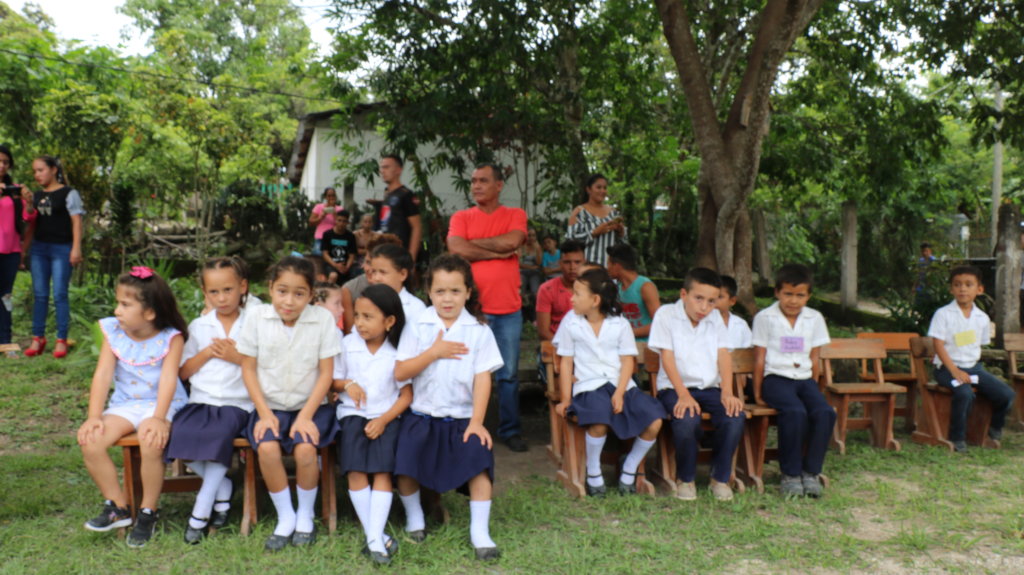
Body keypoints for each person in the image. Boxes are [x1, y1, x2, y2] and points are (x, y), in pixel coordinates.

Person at [393, 254, 502, 560]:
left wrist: (477, 422)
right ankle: (416, 519)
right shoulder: (418, 324)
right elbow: (401, 373)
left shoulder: (479, 330)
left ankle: (479, 533)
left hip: (463, 418)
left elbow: (483, 379)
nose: (448, 299)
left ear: (468, 292)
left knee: (480, 463)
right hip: (422, 415)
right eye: (440, 291)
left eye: (455, 291)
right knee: (406, 462)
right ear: (429, 291)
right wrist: (434, 352)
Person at [76, 267, 189, 547]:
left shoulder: (171, 338)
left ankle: (148, 511)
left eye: (125, 305)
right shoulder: (114, 332)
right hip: (126, 403)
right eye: (118, 303)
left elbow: (168, 380)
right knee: (91, 442)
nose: (117, 310)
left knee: (151, 441)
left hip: (163, 403)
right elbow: (102, 375)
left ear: (149, 312)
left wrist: (160, 418)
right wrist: (93, 416)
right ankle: (119, 507)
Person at [237, 256, 341, 551]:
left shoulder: (322, 320)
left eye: (299, 293)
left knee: (306, 448)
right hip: (269, 405)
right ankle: (286, 516)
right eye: (282, 291)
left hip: (312, 407)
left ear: (311, 295)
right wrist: (264, 414)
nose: (289, 301)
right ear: (270, 289)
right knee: (267, 449)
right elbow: (248, 368)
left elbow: (326, 373)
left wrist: (306, 416)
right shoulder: (256, 318)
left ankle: (305, 515)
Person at [553, 268, 664, 497]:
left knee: (654, 420)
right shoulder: (570, 322)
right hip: (588, 387)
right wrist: (565, 399)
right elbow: (565, 362)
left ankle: (630, 467)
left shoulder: (619, 324)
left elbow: (627, 362)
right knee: (599, 419)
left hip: (621, 385)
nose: (571, 298)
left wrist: (620, 392)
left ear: (595, 300)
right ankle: (593, 471)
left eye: (577, 294)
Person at [167, 257, 256, 544]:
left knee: (218, 437)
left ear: (242, 287)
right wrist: (206, 353)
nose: (222, 298)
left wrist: (237, 357)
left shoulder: (256, 321)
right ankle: (223, 487)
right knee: (179, 435)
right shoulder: (200, 325)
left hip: (237, 402)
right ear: (204, 293)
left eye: (228, 290)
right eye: (214, 292)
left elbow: (269, 365)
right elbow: (182, 372)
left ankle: (200, 512)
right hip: (200, 400)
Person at [446, 163, 529, 452]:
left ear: (498, 185)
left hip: (508, 309)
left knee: (507, 375)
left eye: (483, 181)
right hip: (471, 310)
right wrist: (500, 251)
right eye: (473, 181)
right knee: (465, 371)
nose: (476, 186)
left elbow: (514, 240)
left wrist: (475, 246)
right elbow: (456, 247)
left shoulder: (515, 215)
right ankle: (464, 425)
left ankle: (510, 430)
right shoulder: (461, 216)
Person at [648, 268, 744, 501]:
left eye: (711, 301)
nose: (704, 307)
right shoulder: (666, 315)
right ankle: (686, 478)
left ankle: (720, 478)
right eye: (698, 298)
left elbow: (723, 355)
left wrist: (728, 392)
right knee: (687, 418)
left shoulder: (715, 319)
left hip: (710, 388)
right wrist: (682, 394)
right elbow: (667, 357)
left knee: (734, 415)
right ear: (683, 294)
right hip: (674, 388)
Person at [333, 284, 410, 565]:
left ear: (389, 321)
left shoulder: (398, 351)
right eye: (357, 315)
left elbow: (406, 395)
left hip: (386, 416)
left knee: (381, 472)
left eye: (368, 317)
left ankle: (374, 536)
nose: (360, 323)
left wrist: (384, 419)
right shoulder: (347, 344)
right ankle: (375, 538)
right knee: (355, 469)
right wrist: (348, 384)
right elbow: (334, 379)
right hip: (352, 415)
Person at [752, 264, 835, 498]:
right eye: (788, 294)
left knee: (824, 412)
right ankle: (790, 474)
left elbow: (815, 358)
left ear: (808, 295)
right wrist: (758, 393)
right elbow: (759, 358)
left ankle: (810, 472)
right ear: (777, 292)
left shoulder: (815, 318)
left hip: (805, 380)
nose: (793, 301)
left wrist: (815, 391)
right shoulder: (765, 318)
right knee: (795, 412)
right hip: (776, 379)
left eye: (800, 295)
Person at [927, 265, 1015, 453]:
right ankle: (957, 438)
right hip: (947, 369)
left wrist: (972, 371)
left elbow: (977, 345)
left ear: (979, 289)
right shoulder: (943, 314)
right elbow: (938, 345)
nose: (963, 289)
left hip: (974, 369)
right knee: (965, 393)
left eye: (968, 284)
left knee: (1006, 394)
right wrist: (955, 371)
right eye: (957, 285)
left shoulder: (981, 318)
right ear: (951, 289)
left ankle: (993, 428)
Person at [24, 155, 84, 359]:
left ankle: (61, 339)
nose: (37, 175)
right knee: (40, 295)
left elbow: (76, 221)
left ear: (53, 170)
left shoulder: (69, 193)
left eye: (40, 170)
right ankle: (38, 337)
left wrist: (76, 248)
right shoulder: (38, 195)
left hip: (61, 249)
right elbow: (32, 222)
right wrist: (26, 248)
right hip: (40, 249)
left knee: (59, 294)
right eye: (35, 171)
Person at [0, 144, 34, 355]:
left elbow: (29, 218)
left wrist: (28, 201)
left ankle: (5, 340)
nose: (1, 165)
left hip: (11, 251)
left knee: (5, 296)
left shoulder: (15, 190)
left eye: (5, 162)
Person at [342, 233, 402, 334]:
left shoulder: (400, 289)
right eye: (368, 262)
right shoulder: (350, 290)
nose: (368, 269)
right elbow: (350, 334)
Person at [566, 174, 625, 266]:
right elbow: (570, 241)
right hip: (587, 268)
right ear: (588, 190)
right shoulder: (579, 212)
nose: (602, 191)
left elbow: (623, 244)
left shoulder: (613, 213)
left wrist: (621, 232)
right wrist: (594, 233)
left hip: (610, 269)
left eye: (605, 188)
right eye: (598, 187)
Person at [606, 243, 660, 342]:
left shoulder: (645, 287)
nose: (607, 268)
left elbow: (659, 323)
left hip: (647, 346)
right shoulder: (618, 288)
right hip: (627, 344)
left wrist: (629, 332)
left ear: (616, 266)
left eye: (608, 264)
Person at [536, 240, 585, 342]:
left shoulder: (595, 288)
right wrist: (566, 350)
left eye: (577, 262)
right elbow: (543, 332)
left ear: (584, 263)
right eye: (567, 262)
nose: (572, 267)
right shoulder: (546, 289)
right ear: (560, 263)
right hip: (556, 345)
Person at [366, 243, 426, 326]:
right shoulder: (366, 302)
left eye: (383, 272)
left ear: (402, 274)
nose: (376, 278)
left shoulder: (415, 308)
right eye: (374, 272)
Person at [377, 154, 422, 260]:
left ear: (398, 170)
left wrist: (411, 257)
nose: (382, 171)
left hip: (400, 254)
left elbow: (417, 227)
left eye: (386, 167)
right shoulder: (387, 195)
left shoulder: (406, 195)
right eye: (381, 167)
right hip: (385, 251)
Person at [321, 209, 357, 284]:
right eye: (339, 220)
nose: (341, 223)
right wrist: (336, 265)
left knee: (356, 277)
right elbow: (325, 254)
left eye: (344, 221)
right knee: (333, 276)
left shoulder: (351, 236)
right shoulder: (327, 234)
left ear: (347, 222)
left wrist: (346, 267)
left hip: (345, 265)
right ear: (335, 220)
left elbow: (352, 256)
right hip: (331, 264)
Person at [716, 275, 752, 350]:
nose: (715, 301)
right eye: (712, 296)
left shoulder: (741, 325)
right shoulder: (702, 323)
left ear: (732, 301)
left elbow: (749, 350)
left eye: (720, 297)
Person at [308, 187, 339, 255]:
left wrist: (334, 213)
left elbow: (341, 224)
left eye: (333, 195)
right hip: (320, 238)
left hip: (334, 238)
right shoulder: (319, 207)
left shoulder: (339, 209)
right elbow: (310, 222)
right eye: (329, 195)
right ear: (325, 197)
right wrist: (321, 217)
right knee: (318, 257)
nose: (331, 197)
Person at [519, 227, 543, 300]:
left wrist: (537, 250)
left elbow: (539, 264)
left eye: (533, 235)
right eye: (529, 235)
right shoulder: (521, 246)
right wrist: (532, 267)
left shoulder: (538, 247)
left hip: (534, 273)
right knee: (520, 292)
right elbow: (519, 264)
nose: (531, 238)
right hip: (522, 272)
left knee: (535, 292)